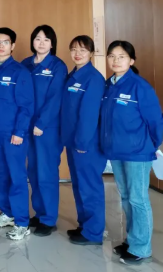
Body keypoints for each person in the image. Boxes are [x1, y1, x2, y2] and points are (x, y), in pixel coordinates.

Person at [101, 41, 163, 266]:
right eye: (112, 56)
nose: (116, 60)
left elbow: (156, 121)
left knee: (138, 199)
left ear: (131, 60)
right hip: (116, 150)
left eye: (121, 56)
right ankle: (132, 240)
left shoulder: (140, 86)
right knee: (126, 197)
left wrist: (151, 144)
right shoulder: (108, 85)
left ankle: (141, 248)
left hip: (137, 152)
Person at [0, 27, 34, 241]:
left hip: (13, 134)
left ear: (12, 45)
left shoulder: (20, 72)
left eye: (5, 42)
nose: (1, 45)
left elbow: (26, 105)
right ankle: (7, 213)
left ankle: (22, 222)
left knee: (17, 176)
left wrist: (19, 131)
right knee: (2, 174)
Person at [21, 25, 68, 237]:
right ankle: (39, 213)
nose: (41, 43)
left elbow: (55, 98)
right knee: (33, 171)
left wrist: (41, 123)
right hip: (27, 126)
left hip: (47, 128)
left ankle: (49, 219)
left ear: (52, 43)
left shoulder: (58, 66)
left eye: (46, 39)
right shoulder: (25, 64)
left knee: (46, 172)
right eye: (38, 38)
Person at [61, 35, 106, 247]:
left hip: (86, 144)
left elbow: (89, 115)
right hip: (73, 141)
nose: (77, 54)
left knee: (90, 187)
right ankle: (85, 225)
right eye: (74, 49)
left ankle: (94, 233)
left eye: (83, 50)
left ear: (91, 53)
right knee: (79, 185)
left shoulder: (93, 78)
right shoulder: (73, 75)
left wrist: (81, 143)